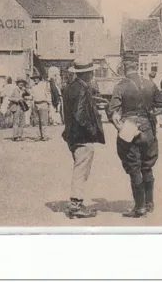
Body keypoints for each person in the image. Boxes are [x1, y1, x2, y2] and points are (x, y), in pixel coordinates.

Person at [107, 51, 162, 218]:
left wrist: (120, 126)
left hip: (129, 129)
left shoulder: (120, 86)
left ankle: (139, 207)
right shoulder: (150, 84)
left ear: (125, 66)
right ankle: (149, 203)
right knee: (147, 165)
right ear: (137, 65)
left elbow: (113, 111)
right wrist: (149, 115)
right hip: (148, 129)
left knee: (134, 167)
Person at [61, 58, 106, 219]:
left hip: (72, 136)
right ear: (86, 73)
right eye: (91, 72)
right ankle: (76, 205)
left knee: (79, 168)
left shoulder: (70, 88)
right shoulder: (82, 89)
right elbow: (80, 115)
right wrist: (92, 130)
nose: (93, 74)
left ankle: (77, 203)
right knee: (81, 171)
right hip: (82, 137)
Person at [7, 77, 30, 141]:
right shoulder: (14, 89)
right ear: (17, 83)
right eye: (19, 82)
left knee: (22, 122)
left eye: (22, 83)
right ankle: (15, 136)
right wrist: (17, 100)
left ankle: (20, 135)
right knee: (16, 122)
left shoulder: (23, 90)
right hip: (16, 107)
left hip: (22, 107)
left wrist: (25, 90)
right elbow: (9, 98)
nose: (21, 84)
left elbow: (29, 94)